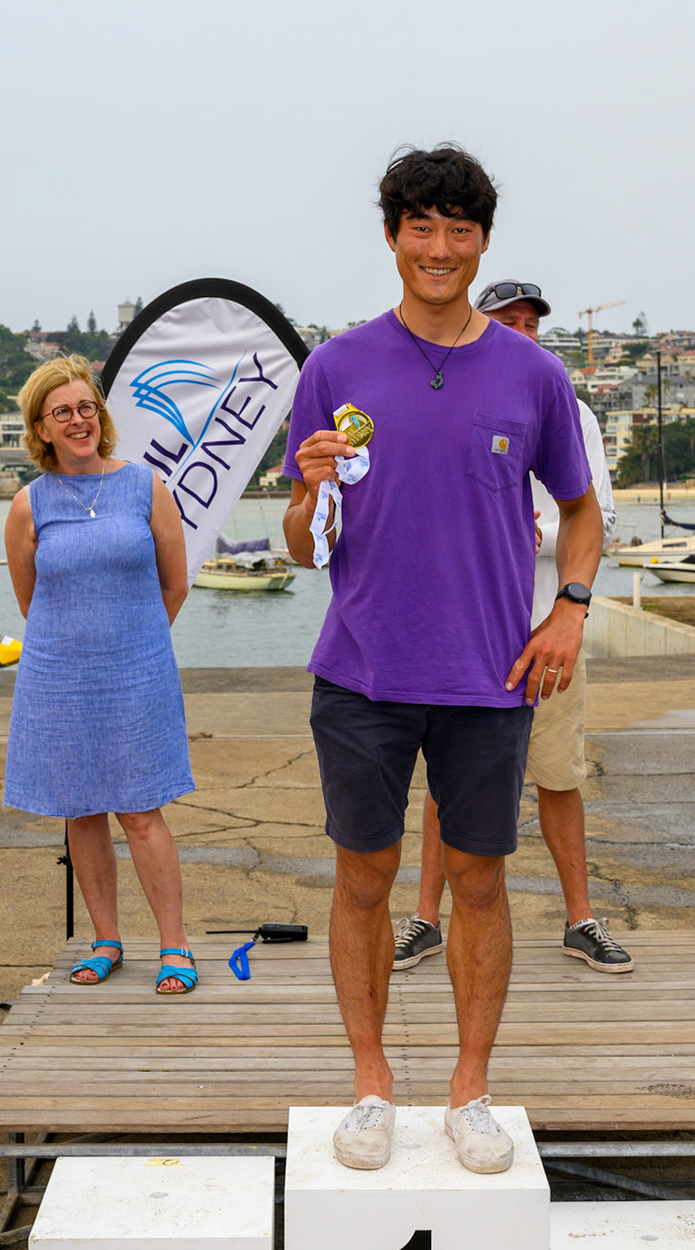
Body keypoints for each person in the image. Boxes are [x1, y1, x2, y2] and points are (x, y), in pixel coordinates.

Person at [282, 146, 602, 1174]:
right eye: (420, 226)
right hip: (362, 671)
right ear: (391, 236)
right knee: (363, 879)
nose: (439, 247)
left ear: (483, 242)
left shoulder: (534, 373)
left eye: (459, 229)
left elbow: (582, 513)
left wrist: (570, 609)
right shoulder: (336, 368)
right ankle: (371, 1084)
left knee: (480, 882)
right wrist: (308, 491)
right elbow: (304, 546)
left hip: (489, 677)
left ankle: (471, 1090)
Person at [395, 279, 631, 976]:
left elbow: (600, 517)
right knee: (445, 785)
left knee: (559, 775)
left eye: (532, 323)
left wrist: (539, 544)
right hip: (466, 634)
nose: (523, 333)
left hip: (545, 629)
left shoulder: (571, 409)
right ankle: (424, 919)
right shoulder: (447, 397)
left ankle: (580, 918)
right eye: (509, 321)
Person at [3, 355, 199, 995]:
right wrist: (83, 646)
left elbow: (175, 584)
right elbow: (32, 602)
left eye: (86, 406)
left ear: (100, 415)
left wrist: (133, 644)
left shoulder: (146, 486)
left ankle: (175, 945)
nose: (78, 419)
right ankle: (106, 941)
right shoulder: (28, 505)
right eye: (62, 411)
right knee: (82, 813)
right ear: (41, 428)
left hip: (138, 676)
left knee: (141, 813)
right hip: (59, 680)